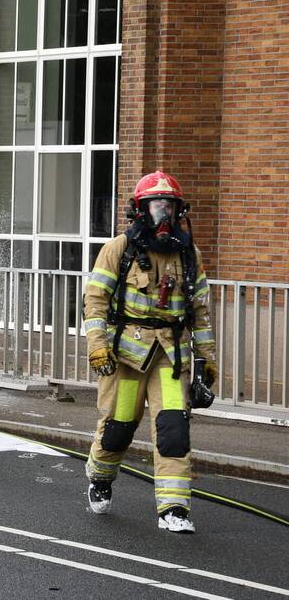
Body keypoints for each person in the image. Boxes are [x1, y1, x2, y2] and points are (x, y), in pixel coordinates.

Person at [83, 170, 217, 534]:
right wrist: (97, 347)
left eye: (169, 206)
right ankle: (99, 477)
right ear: (140, 209)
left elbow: (200, 311)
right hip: (126, 358)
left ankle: (173, 509)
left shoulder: (189, 254)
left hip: (171, 360)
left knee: (174, 430)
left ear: (178, 210)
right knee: (118, 428)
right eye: (156, 205)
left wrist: (207, 360)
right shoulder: (119, 249)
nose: (163, 213)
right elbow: (95, 301)